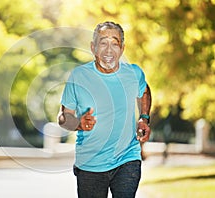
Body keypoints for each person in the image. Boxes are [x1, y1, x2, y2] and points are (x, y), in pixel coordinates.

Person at [58, 21, 152, 198]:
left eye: (114, 43)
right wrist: (78, 123)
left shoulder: (133, 73)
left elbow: (144, 91)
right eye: (103, 43)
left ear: (122, 49)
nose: (109, 50)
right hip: (90, 163)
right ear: (93, 48)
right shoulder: (78, 76)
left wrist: (144, 118)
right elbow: (63, 117)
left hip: (127, 158)